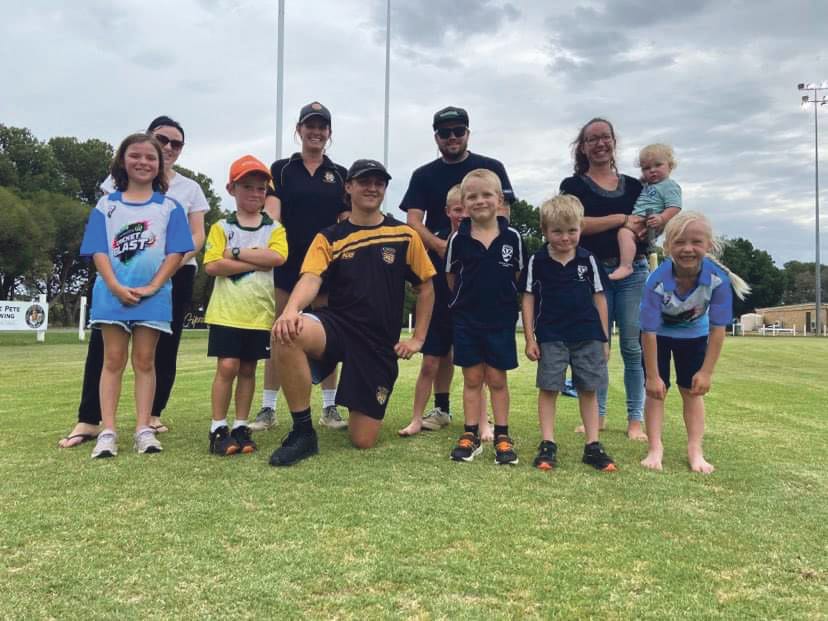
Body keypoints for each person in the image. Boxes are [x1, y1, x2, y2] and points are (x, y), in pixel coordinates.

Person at [269, 159, 435, 466]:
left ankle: (356, 398)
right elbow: (311, 277)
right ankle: (303, 433)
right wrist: (291, 310)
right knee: (286, 332)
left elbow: (425, 287)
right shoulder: (329, 236)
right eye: (364, 181)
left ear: (385, 188)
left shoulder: (404, 234)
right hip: (338, 326)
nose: (372, 188)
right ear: (348, 187)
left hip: (377, 343)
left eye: (379, 183)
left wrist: (418, 339)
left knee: (363, 440)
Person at [58, 116, 208, 448]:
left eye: (175, 144)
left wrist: (157, 281)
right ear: (124, 158)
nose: (166, 149)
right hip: (113, 287)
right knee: (109, 357)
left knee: (149, 358)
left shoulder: (178, 198)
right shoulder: (108, 198)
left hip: (163, 282)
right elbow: (98, 246)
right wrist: (112, 283)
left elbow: (188, 240)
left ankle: (146, 423)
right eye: (160, 142)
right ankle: (98, 424)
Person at [400, 105, 516, 433]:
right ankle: (440, 409)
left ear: (467, 132)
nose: (452, 137)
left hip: (484, 274)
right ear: (436, 136)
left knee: (482, 354)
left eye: (458, 131)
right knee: (438, 349)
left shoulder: (490, 168)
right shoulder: (423, 175)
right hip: (439, 271)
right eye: (444, 132)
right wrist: (442, 247)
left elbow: (504, 213)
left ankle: (486, 419)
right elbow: (413, 221)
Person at [252, 102, 349, 433]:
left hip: (326, 267)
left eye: (323, 126)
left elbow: (345, 221)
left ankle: (330, 406)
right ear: (299, 129)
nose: (316, 132)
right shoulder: (280, 169)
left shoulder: (341, 175)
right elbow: (273, 215)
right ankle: (267, 408)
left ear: (330, 133)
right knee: (279, 332)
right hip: (288, 265)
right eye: (311, 125)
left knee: (328, 336)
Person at [639, 211, 750, 473]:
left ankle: (695, 450)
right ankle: (655, 448)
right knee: (656, 392)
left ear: (708, 245)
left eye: (696, 242)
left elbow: (718, 329)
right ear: (667, 247)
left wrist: (706, 372)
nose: (687, 249)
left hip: (694, 336)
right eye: (679, 242)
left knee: (692, 391)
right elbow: (648, 332)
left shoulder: (717, 280)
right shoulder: (656, 281)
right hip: (658, 337)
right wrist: (653, 376)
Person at [559, 117, 648, 441]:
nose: (600, 144)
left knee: (632, 348)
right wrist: (622, 219)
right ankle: (596, 416)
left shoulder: (636, 186)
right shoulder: (574, 186)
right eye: (592, 139)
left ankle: (635, 420)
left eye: (605, 137)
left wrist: (643, 223)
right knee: (596, 347)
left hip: (634, 271)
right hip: (592, 273)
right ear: (582, 147)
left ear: (614, 142)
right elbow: (573, 223)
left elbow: (647, 225)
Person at [521, 195, 617, 472]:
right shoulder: (536, 261)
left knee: (589, 388)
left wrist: (604, 337)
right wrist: (530, 338)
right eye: (557, 231)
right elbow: (527, 298)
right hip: (550, 335)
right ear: (545, 230)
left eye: (572, 231)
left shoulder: (588, 260)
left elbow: (600, 298)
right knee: (549, 388)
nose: (565, 238)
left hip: (587, 335)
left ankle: (593, 444)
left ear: (581, 228)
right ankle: (548, 443)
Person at [203, 156, 288, 455]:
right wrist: (254, 257)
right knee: (227, 366)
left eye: (261, 188)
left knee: (249, 369)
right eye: (247, 187)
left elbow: (277, 258)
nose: (255, 193)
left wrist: (236, 253)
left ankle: (240, 425)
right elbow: (213, 265)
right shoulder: (220, 226)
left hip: (258, 313)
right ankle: (217, 427)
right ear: (232, 189)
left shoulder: (273, 228)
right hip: (227, 312)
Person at [445, 169, 525, 465]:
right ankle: (471, 434)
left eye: (486, 194)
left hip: (501, 320)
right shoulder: (458, 238)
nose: (480, 201)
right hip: (466, 320)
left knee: (496, 378)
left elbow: (517, 276)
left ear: (499, 199)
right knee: (472, 378)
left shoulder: (513, 237)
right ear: (464, 204)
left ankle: (502, 435)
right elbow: (452, 278)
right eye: (472, 196)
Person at [398, 184, 465, 437]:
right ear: (448, 211)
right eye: (457, 210)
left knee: (475, 368)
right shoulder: (435, 239)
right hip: (437, 309)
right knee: (430, 364)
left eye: (467, 210)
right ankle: (418, 418)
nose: (462, 215)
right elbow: (419, 275)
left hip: (468, 312)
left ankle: (481, 420)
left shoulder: (481, 240)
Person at [611, 144, 681, 281]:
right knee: (624, 234)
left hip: (649, 220)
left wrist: (661, 218)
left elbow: (675, 206)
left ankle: (626, 265)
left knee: (624, 233)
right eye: (646, 168)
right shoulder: (649, 185)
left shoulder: (670, 185)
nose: (652, 171)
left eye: (658, 165)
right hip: (641, 218)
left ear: (670, 166)